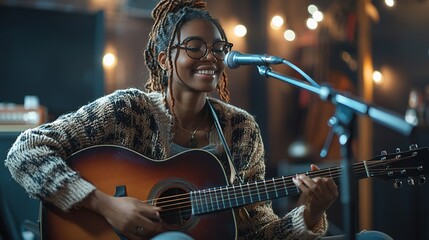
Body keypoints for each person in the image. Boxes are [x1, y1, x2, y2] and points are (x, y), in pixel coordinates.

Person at [5, 0, 392, 239]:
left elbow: (258, 233)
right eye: (195, 46)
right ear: (164, 59)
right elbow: (25, 152)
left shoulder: (240, 130)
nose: (210, 56)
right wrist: (108, 205)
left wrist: (311, 214)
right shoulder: (129, 110)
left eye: (218, 48)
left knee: (374, 238)